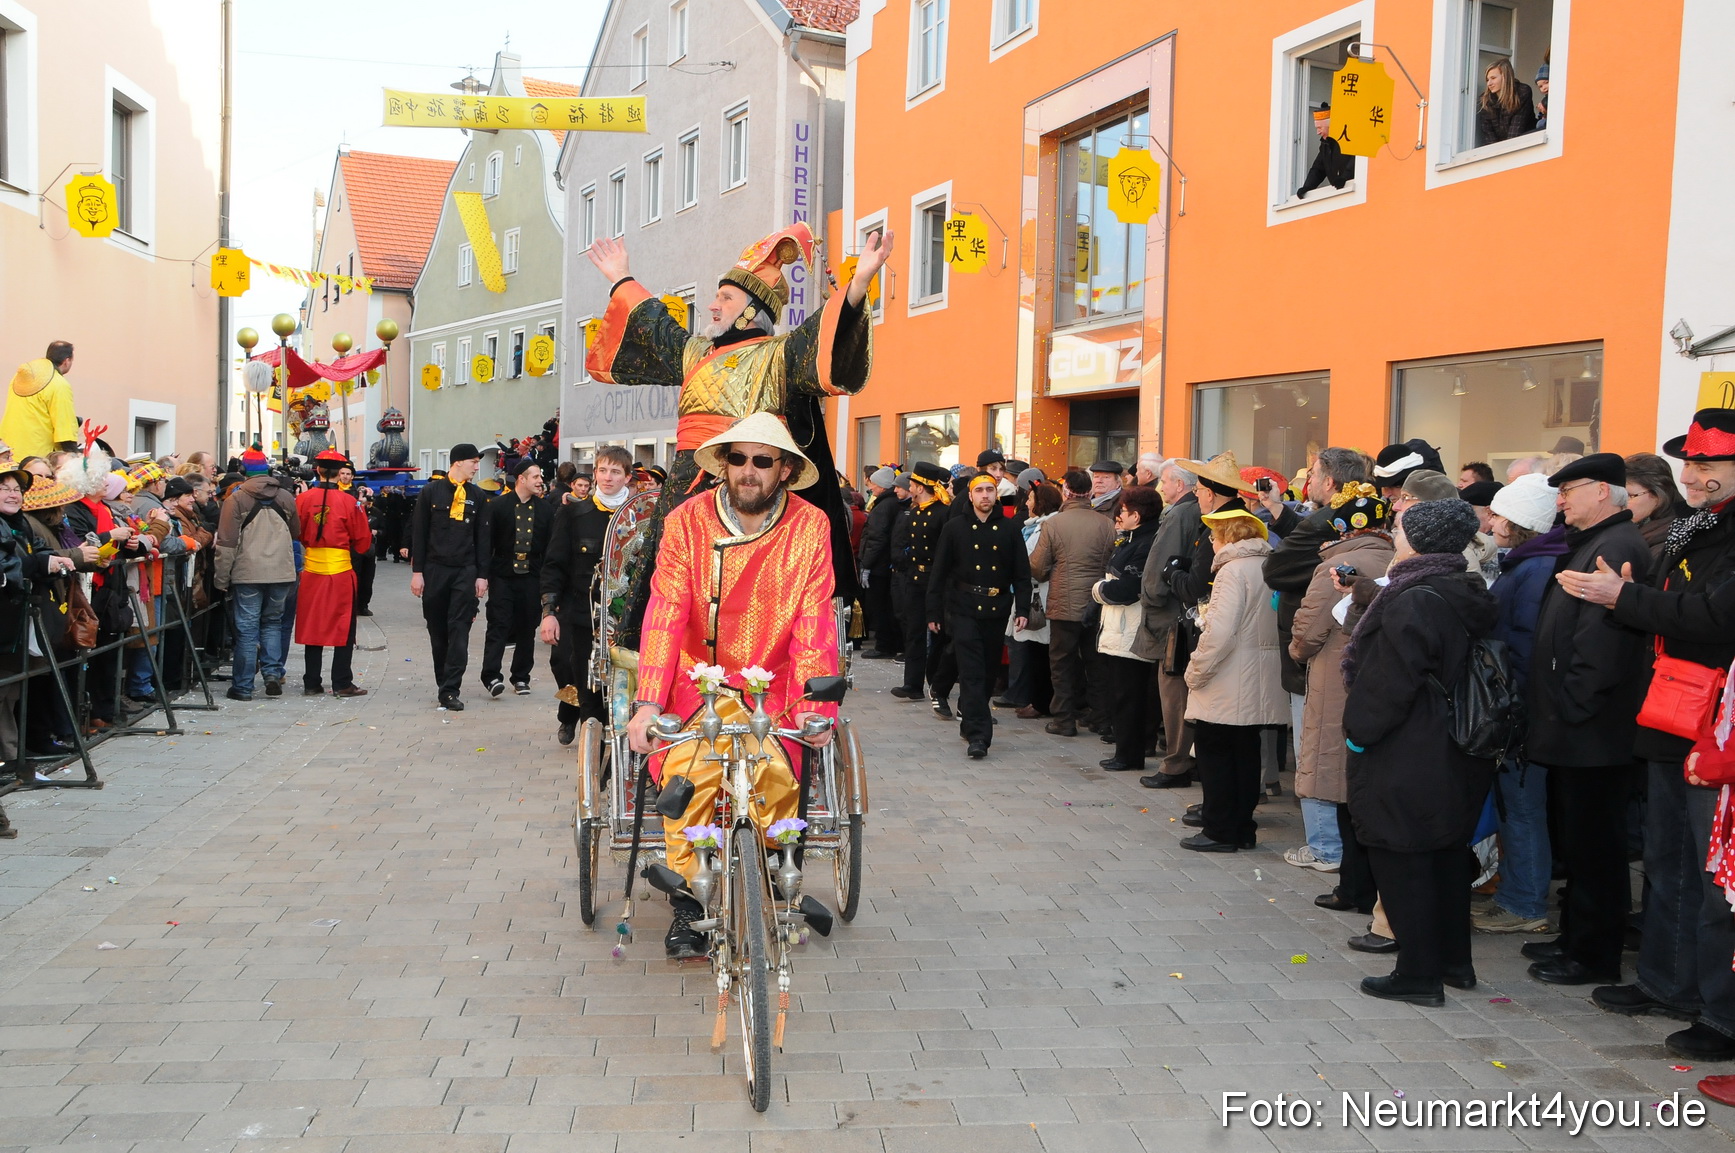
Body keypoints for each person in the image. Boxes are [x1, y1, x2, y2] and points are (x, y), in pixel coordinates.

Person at [583, 224, 890, 636]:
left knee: (747, 612)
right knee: (670, 602)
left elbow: (820, 336)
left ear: (751, 310)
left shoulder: (779, 354)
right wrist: (622, 278)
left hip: (748, 498)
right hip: (684, 498)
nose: (711, 306)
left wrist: (858, 284)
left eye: (724, 298)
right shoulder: (697, 352)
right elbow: (656, 328)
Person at [621, 412, 840, 959]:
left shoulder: (810, 526)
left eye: (762, 461)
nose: (748, 471)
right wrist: (648, 703)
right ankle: (689, 909)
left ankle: (773, 869)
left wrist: (817, 709)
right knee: (688, 777)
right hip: (699, 683)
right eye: (737, 459)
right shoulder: (687, 521)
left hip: (777, 683)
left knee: (777, 776)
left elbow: (813, 623)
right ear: (722, 464)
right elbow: (665, 612)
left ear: (785, 470)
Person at [1558, 409, 1735, 1060]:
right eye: (1690, 462)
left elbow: (1714, 616)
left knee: (1710, 873)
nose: (1693, 473)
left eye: (1707, 463)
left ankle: (1714, 1008)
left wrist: (1621, 598)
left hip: (1715, 727)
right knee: (1668, 861)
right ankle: (1667, 980)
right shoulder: (1696, 530)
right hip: (1674, 716)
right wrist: (1631, 597)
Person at [1343, 499, 1497, 1006]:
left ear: (1420, 540)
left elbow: (1390, 682)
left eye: (1401, 531)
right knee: (1445, 856)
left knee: (1402, 856)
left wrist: (1358, 732)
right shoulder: (1463, 586)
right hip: (1456, 745)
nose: (1395, 538)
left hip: (1412, 746)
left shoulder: (1414, 598)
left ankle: (1417, 974)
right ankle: (1454, 962)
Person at [1522, 454, 1652, 986]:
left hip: (1593, 728)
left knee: (1596, 844)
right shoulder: (1596, 541)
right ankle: (1575, 935)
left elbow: (1601, 649)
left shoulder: (1615, 547)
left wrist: (1570, 710)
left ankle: (1593, 953)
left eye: (1569, 489)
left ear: (1603, 491)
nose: (1561, 499)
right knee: (1579, 840)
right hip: (1577, 724)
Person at [1471, 473, 1568, 935]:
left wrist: (1514, 710)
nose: (1490, 521)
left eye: (1497, 513)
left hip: (1520, 711)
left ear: (1520, 521)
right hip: (1520, 706)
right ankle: (1519, 894)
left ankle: (1524, 904)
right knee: (1521, 806)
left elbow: (1526, 647)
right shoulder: (1530, 563)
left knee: (1523, 807)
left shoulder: (1534, 570)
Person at [1288, 483, 1395, 877]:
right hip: (1379, 673)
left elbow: (1311, 624)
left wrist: (1297, 652)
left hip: (1334, 670)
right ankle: (1357, 853)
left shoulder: (1335, 564)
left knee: (1321, 752)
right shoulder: (1397, 560)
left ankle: (1325, 847)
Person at [1179, 508, 1285, 852]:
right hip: (1258, 673)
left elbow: (1220, 632)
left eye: (1213, 535)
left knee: (1216, 755)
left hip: (1228, 676)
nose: (1210, 541)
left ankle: (1220, 830)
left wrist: (1196, 670)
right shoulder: (1267, 566)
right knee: (1246, 751)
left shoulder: (1231, 571)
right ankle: (1242, 827)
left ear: (1228, 537)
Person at [926, 473, 1031, 759]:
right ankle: (978, 735)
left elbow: (1021, 573)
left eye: (990, 490)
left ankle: (971, 720)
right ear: (970, 496)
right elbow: (938, 574)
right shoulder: (954, 528)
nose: (985, 495)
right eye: (979, 491)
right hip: (963, 607)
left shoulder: (1009, 529)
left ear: (996, 495)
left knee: (986, 673)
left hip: (996, 608)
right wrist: (934, 612)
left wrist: (1022, 609)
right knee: (971, 672)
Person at [541, 446, 631, 745]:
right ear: (594, 474)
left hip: (625, 623)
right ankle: (589, 740)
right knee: (584, 681)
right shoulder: (573, 514)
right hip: (582, 617)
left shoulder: (638, 518)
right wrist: (549, 612)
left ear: (627, 477)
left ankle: (615, 749)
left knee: (622, 688)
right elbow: (555, 564)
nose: (608, 478)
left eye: (615, 472)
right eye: (603, 471)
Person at [0, 466, 82, 786]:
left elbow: (32, 555)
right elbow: (14, 566)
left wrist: (50, 561)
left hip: (16, 620)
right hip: (6, 620)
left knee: (13, 689)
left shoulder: (19, 522)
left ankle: (11, 756)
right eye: (4, 487)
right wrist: (42, 564)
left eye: (17, 489)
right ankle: (9, 758)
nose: (12, 493)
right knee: (5, 688)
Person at [1030, 469, 1115, 737]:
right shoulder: (1106, 523)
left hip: (1064, 606)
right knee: (1097, 664)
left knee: (1062, 664)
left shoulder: (1055, 524)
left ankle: (1064, 719)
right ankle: (1100, 718)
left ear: (1066, 491)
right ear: (1089, 492)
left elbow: (1039, 567)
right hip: (1097, 604)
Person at [1136, 460, 1202, 788]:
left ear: (1180, 483)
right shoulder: (1192, 511)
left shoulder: (1179, 514)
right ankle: (1186, 759)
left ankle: (1177, 763)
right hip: (1186, 613)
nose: (1161, 488)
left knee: (1174, 692)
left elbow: (1158, 569)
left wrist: (1150, 598)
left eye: (1165, 481)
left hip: (1173, 618)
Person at [410, 443, 490, 710]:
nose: (477, 467)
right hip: (434, 569)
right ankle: (442, 681)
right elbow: (419, 534)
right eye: (473, 462)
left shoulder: (477, 496)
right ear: (457, 463)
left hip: (465, 571)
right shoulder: (431, 491)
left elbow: (482, 539)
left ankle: (450, 689)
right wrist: (417, 573)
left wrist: (482, 575)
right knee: (438, 630)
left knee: (459, 629)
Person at [213, 458, 300, 702]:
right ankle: (272, 674)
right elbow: (296, 533)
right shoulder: (285, 497)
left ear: (246, 474)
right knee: (272, 623)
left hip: (248, 572)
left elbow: (227, 544)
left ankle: (242, 686)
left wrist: (221, 579)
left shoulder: (236, 499)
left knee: (247, 630)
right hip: (281, 571)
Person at [1092, 485, 1161, 772]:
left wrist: (1098, 589)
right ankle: (1127, 749)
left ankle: (1129, 754)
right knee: (1122, 693)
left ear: (1137, 515)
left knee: (1128, 695)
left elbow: (1126, 589)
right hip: (1118, 628)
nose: (1119, 516)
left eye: (1123, 511)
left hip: (1130, 629)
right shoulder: (1132, 538)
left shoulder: (1145, 544)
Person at [293, 450, 372, 698]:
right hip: (340, 570)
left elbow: (296, 532)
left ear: (317, 470)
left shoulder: (303, 500)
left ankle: (312, 682)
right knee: (344, 626)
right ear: (340, 473)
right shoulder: (351, 503)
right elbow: (362, 541)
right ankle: (341, 682)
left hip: (312, 569)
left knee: (312, 623)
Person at [481, 459, 553, 698]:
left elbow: (550, 548)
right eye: (535, 477)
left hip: (532, 576)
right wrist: (484, 575)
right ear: (521, 478)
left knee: (526, 628)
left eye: (540, 476)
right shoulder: (498, 505)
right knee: (498, 625)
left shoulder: (545, 509)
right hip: (502, 574)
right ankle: (491, 675)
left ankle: (521, 677)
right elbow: (486, 544)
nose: (540, 481)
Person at [889, 462, 950, 704]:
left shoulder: (943, 513)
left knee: (938, 634)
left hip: (936, 580)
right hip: (916, 578)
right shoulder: (915, 512)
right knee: (913, 631)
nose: (909, 487)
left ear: (921, 486)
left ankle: (936, 682)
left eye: (912, 484)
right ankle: (912, 684)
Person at [1005, 482, 1061, 717]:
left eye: (1030, 499)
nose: (1026, 503)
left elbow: (1037, 564)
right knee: (1031, 648)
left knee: (1040, 651)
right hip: (1028, 592)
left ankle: (1041, 702)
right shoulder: (1033, 527)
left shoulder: (1047, 527)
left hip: (1040, 595)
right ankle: (1035, 699)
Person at [857, 466, 905, 660]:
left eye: (874, 485)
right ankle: (890, 643)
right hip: (886, 563)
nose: (871, 488)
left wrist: (866, 564)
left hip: (879, 565)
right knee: (888, 606)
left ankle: (884, 645)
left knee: (879, 606)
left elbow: (876, 538)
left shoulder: (883, 507)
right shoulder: (893, 504)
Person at [1, 342, 80, 459]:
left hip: (8, 452)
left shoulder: (20, 377)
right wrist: (76, 458)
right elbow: (65, 430)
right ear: (67, 360)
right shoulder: (59, 384)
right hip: (36, 458)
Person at [1625, 451, 1688, 561]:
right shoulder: (1638, 531)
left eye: (1629, 495)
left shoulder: (1669, 544)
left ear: (1658, 495)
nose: (1621, 503)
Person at [337, 464, 376, 617]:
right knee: (354, 575)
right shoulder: (335, 492)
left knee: (367, 577)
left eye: (348, 474)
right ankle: (351, 605)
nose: (345, 476)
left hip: (365, 539)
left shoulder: (358, 492)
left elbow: (373, 514)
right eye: (343, 473)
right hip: (349, 541)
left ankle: (363, 604)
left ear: (352, 476)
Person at [1476, 58, 1538, 146]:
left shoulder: (1522, 92)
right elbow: (1488, 137)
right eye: (1487, 79)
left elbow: (1516, 131)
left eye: (1493, 78)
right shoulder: (1485, 100)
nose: (1489, 83)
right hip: (1500, 151)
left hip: (1526, 146)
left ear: (1505, 77)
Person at [1297, 103, 1354, 198]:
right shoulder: (1325, 145)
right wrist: (1307, 187)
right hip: (1339, 194)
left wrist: (1345, 178)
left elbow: (1356, 159)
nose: (1318, 132)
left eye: (1320, 128)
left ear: (1330, 125)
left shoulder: (1348, 139)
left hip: (1352, 191)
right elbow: (1318, 169)